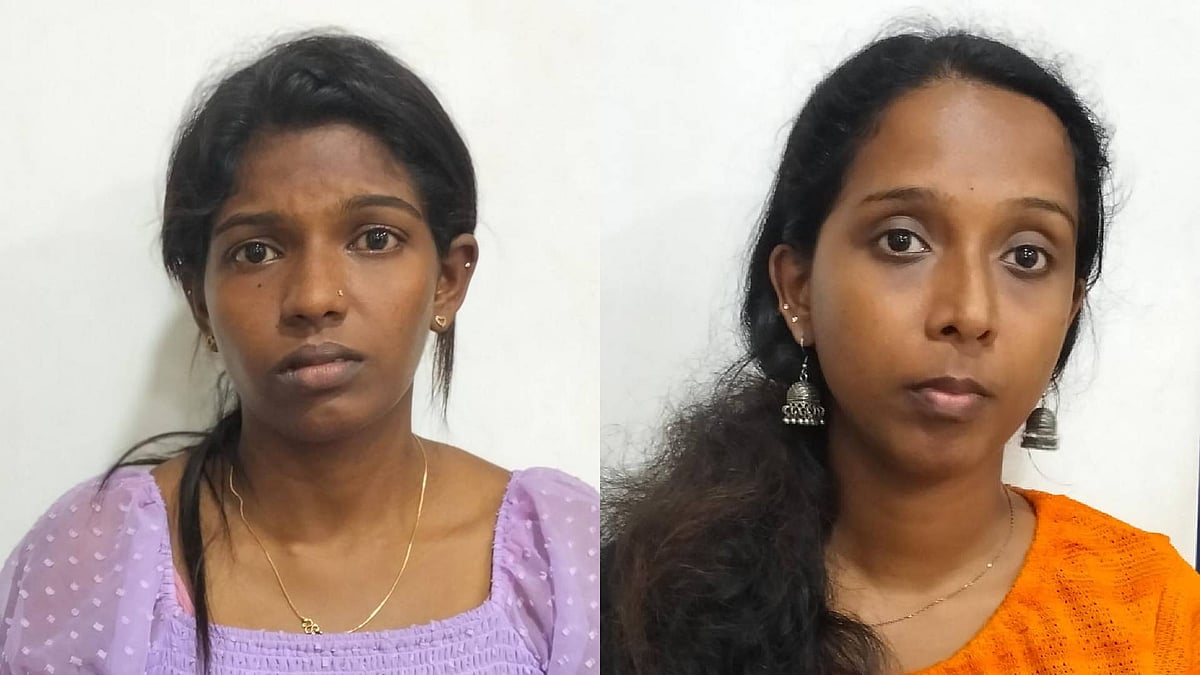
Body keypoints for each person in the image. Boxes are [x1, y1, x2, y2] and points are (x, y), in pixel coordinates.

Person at [602, 29, 1200, 674]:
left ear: (1069, 311)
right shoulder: (633, 602)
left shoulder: (1153, 616)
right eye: (902, 241)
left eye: (1027, 256)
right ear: (798, 289)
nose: (969, 313)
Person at [1, 33, 598, 675]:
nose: (314, 298)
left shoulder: (562, 553)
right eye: (257, 251)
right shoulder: (96, 557)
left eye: (375, 239)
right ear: (201, 302)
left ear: (447, 281)